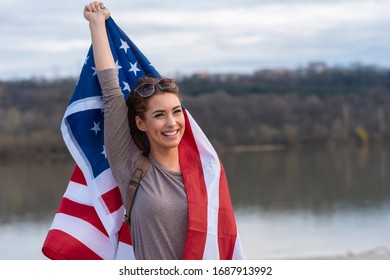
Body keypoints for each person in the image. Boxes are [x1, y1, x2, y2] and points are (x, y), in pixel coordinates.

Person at [83, 1, 188, 260]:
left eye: (176, 111)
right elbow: (111, 92)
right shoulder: (131, 165)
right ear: (142, 124)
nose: (172, 123)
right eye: (159, 115)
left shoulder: (204, 169)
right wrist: (97, 25)